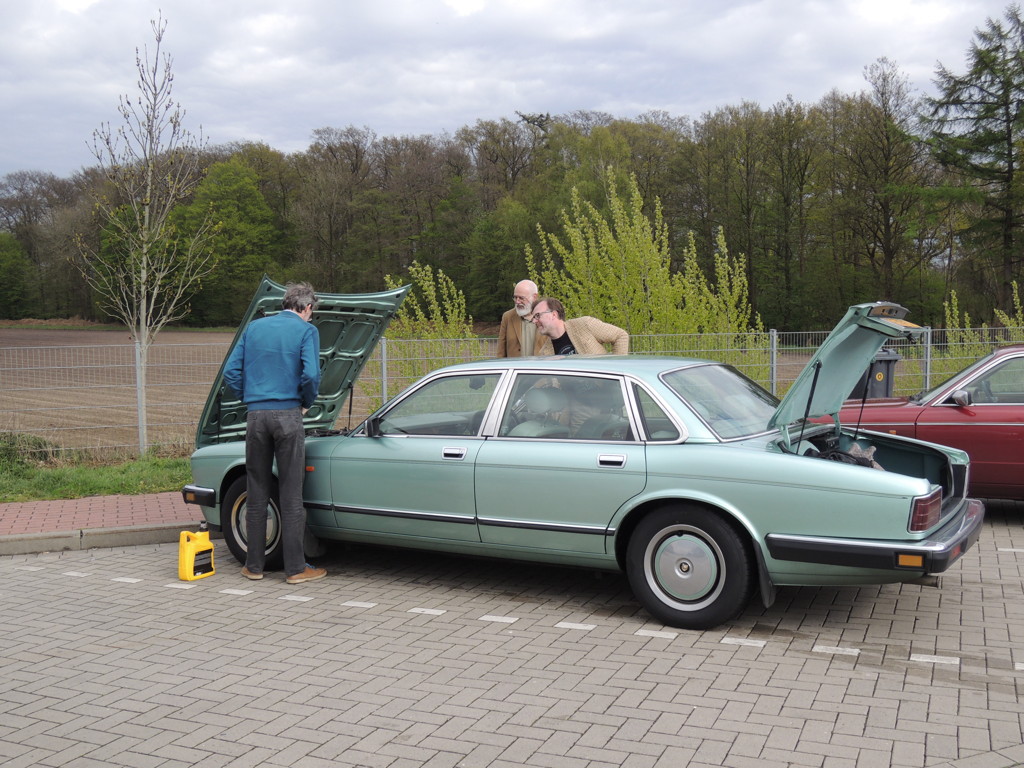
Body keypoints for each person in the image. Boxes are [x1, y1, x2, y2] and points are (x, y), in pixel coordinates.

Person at [223, 281, 326, 585]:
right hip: (288, 416)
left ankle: (253, 566)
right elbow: (310, 374)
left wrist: (252, 398)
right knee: (291, 492)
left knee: (256, 490)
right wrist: (304, 402)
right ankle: (295, 569)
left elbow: (231, 372)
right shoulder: (307, 331)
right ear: (306, 307)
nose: (311, 316)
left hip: (256, 416)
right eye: (312, 311)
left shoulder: (255, 328)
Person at [532, 297, 629, 356]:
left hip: (602, 388)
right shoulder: (545, 353)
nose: (534, 321)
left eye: (537, 316)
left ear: (553, 314)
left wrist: (615, 371)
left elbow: (621, 336)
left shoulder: (584, 324)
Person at [496, 279, 545, 357]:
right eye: (515, 297)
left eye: (521, 298)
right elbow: (501, 352)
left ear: (534, 297)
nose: (517, 302)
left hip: (540, 368)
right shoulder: (508, 317)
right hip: (516, 368)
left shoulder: (547, 317)